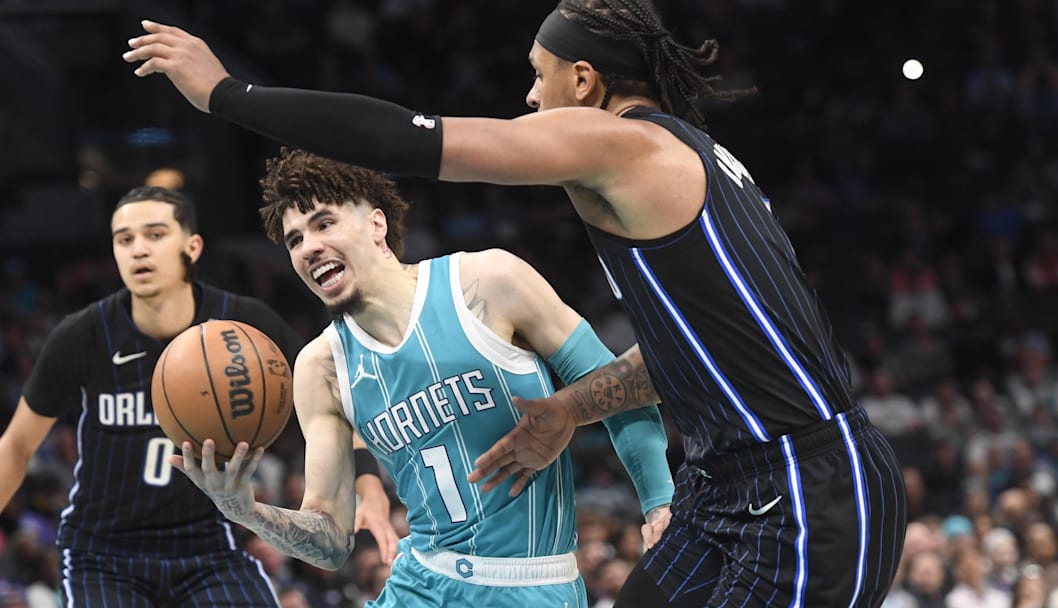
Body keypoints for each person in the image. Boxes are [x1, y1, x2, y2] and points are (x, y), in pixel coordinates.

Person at [124, 0, 907, 604]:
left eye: (539, 75)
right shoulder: (676, 165)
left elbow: (406, 139)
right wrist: (568, 407)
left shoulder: (621, 146)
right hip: (735, 487)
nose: (529, 98)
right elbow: (694, 348)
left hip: (806, 488)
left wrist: (227, 93)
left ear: (584, 82)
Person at [169, 148, 674, 607]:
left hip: (534, 584)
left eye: (324, 224)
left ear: (376, 224)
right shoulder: (320, 366)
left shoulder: (488, 282)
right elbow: (330, 540)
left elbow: (619, 392)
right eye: (295, 240)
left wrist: (658, 503)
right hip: (419, 584)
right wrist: (245, 509)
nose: (308, 248)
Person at [0, 185, 396, 606]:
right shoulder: (82, 335)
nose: (138, 250)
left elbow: (332, 412)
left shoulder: (246, 323)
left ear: (192, 246)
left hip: (207, 545)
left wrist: (370, 490)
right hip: (103, 552)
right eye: (124, 239)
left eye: (154, 235)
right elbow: (17, 444)